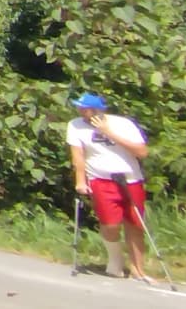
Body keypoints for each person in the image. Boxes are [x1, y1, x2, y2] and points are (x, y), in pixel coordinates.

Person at [67, 91, 150, 280]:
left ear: (97, 110)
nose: (81, 111)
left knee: (135, 224)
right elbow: (78, 156)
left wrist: (108, 132)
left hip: (130, 179)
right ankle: (115, 261)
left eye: (85, 109)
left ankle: (138, 269)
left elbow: (142, 152)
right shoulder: (75, 125)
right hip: (101, 178)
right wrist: (80, 181)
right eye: (79, 108)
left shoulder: (123, 124)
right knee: (111, 224)